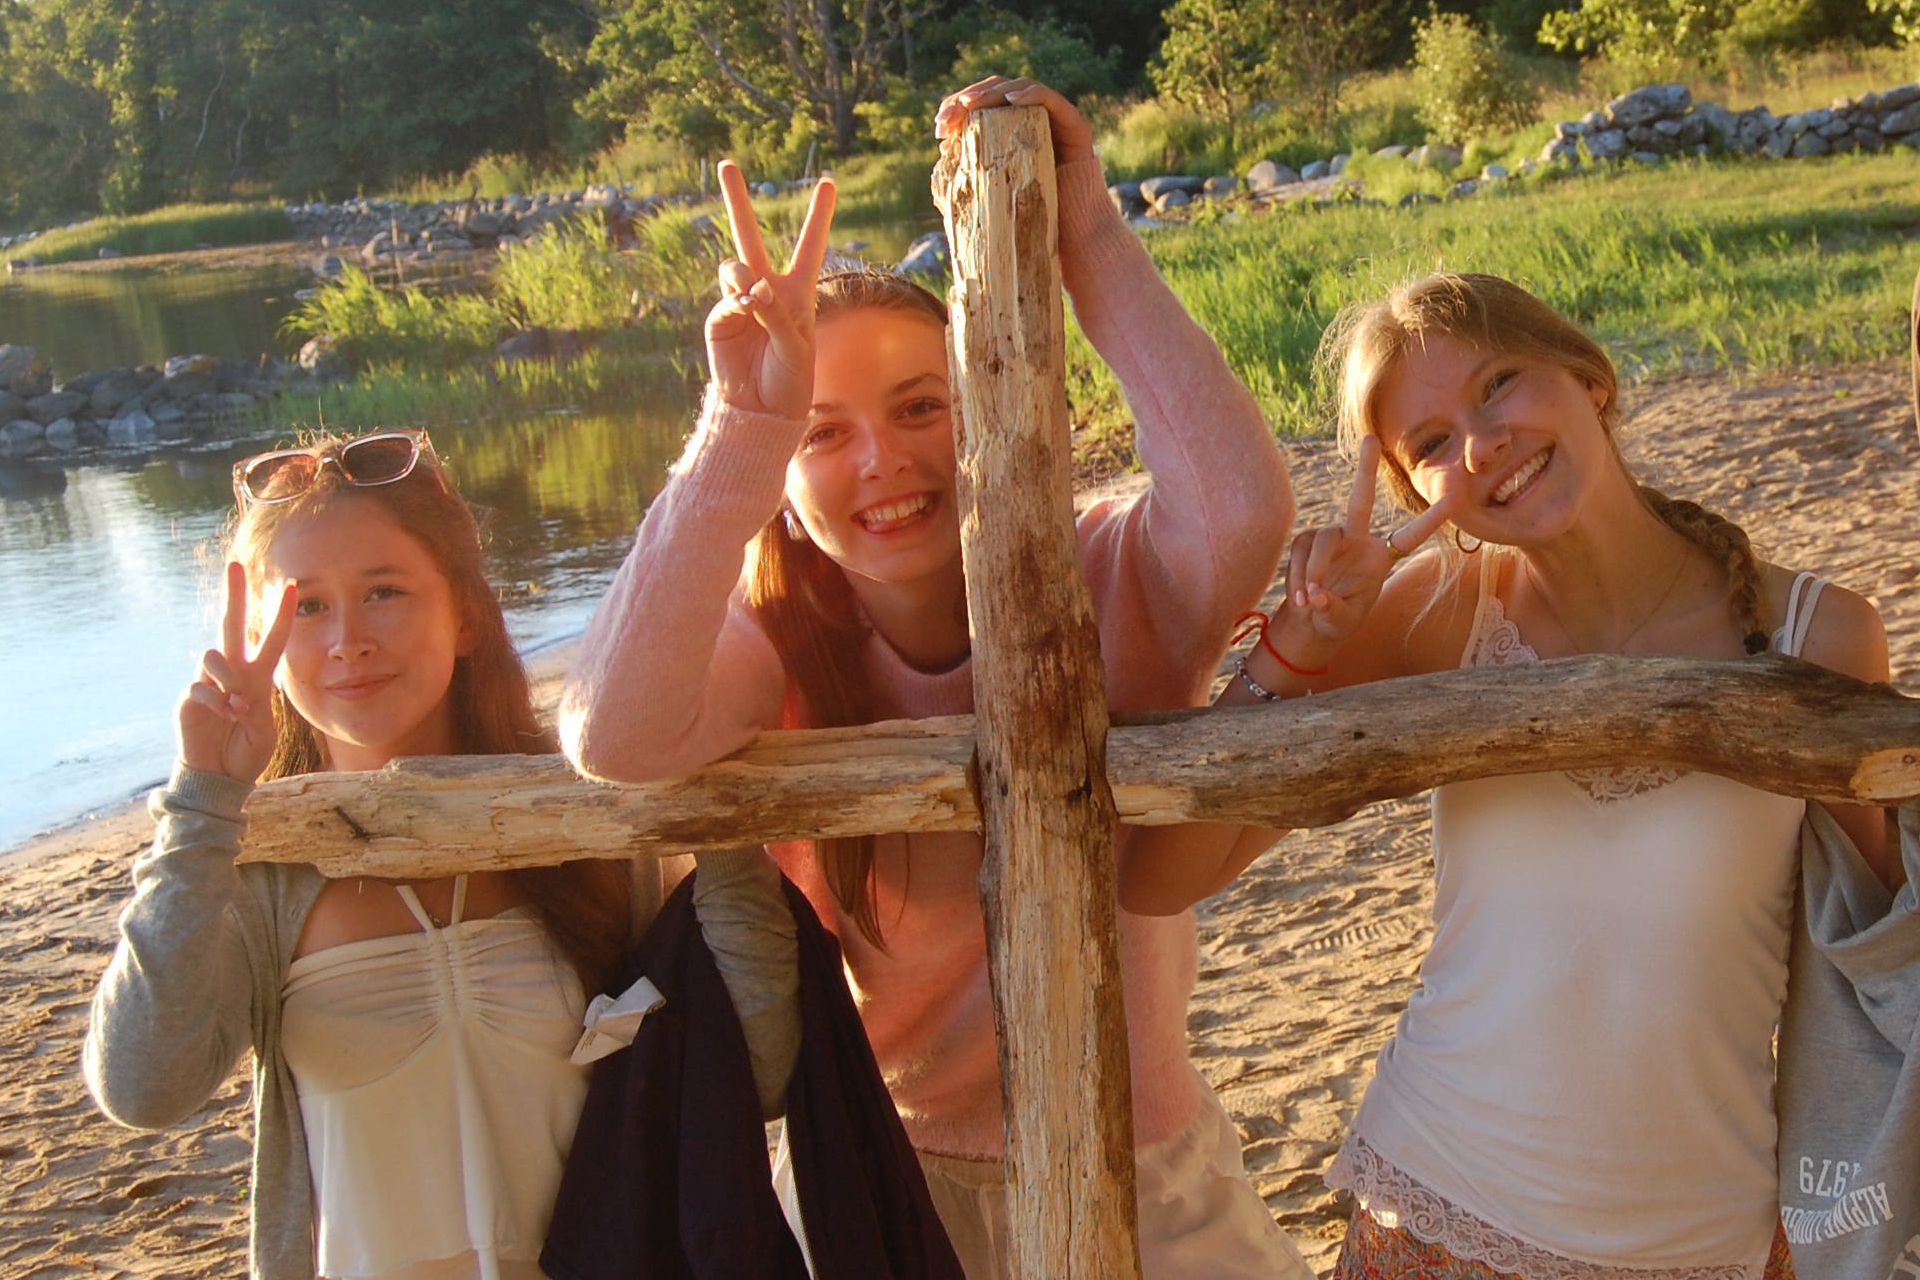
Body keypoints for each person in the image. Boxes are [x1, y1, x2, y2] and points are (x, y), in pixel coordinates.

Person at [559, 76, 1313, 1279]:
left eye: (922, 407)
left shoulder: (1103, 574)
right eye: (823, 430)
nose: (884, 461)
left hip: (1143, 1152)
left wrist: (1091, 238)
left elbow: (1238, 515)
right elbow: (612, 728)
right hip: (882, 1170)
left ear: (988, 407)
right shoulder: (784, 643)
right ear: (788, 489)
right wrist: (739, 428)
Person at [1119, 271, 1892, 1279]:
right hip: (1435, 1223)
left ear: (1588, 376)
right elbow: (1161, 873)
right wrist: (1300, 639)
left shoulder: (1819, 635)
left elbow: (1876, 956)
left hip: (1712, 1241)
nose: (1480, 444)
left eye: (1499, 385)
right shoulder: (1440, 616)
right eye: (1432, 443)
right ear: (1418, 499)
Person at [85, 429, 801, 1280]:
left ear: (464, 613)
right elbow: (141, 1090)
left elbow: (758, 1074)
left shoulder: (587, 822)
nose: (346, 639)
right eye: (305, 604)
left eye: (382, 591)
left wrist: (705, 807)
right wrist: (203, 799)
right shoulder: (256, 870)